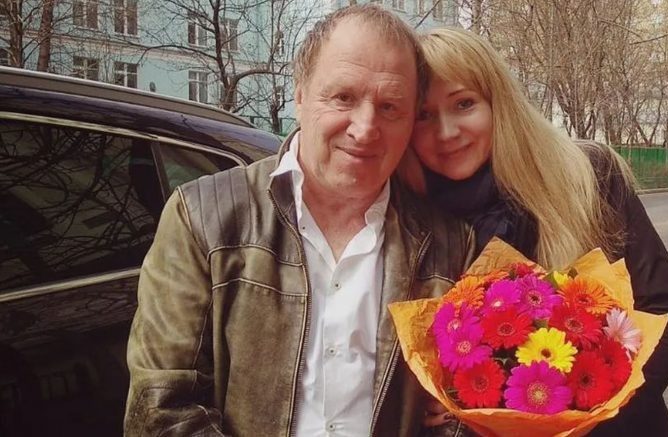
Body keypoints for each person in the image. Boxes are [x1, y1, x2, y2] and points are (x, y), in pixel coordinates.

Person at [123, 7, 476, 436]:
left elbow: (462, 412)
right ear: (301, 94)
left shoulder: (450, 245)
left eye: (390, 107)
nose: (365, 128)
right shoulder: (202, 218)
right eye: (343, 97)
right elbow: (162, 411)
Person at [405, 27, 668, 436]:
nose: (447, 132)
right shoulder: (407, 223)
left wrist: (586, 423)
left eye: (464, 104)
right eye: (423, 115)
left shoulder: (586, 175)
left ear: (499, 103)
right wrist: (427, 402)